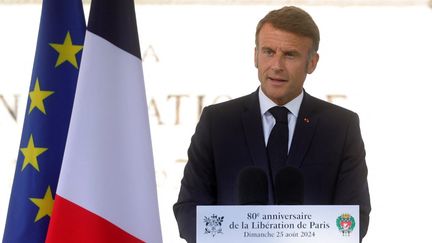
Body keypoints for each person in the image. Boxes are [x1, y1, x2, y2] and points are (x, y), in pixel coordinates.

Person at [173, 6, 371, 243]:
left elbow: (354, 218)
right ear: (255, 56)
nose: (277, 65)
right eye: (268, 52)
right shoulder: (217, 122)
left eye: (290, 54)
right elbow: (188, 209)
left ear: (312, 63)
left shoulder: (341, 126)